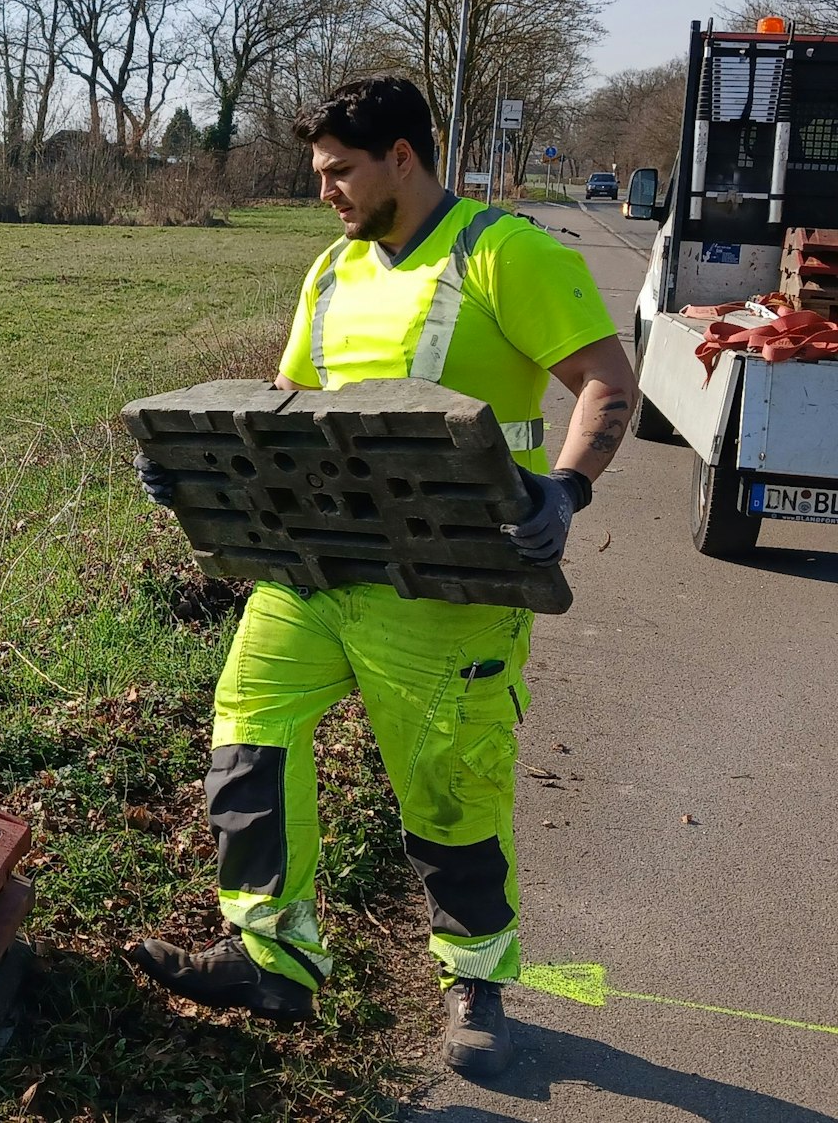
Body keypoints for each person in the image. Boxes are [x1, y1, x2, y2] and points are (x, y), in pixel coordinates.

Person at [125, 75, 638, 1079]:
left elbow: (604, 385)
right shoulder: (331, 272)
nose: (325, 192)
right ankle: (269, 953)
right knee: (248, 729)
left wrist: (564, 492)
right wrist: (190, 468)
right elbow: (283, 404)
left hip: (449, 576)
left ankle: (475, 979)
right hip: (315, 566)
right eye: (318, 175)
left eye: (338, 173)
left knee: (449, 783)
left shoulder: (505, 256)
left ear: (401, 156)